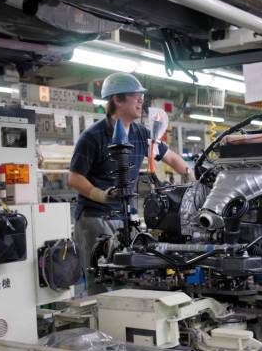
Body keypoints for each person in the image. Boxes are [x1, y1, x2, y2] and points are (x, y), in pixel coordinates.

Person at [69, 72, 190, 294]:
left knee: (129, 275)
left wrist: (194, 178)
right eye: (136, 96)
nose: (141, 101)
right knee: (101, 274)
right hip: (95, 217)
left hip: (124, 216)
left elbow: (171, 158)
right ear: (117, 99)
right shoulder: (93, 136)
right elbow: (74, 177)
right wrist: (100, 195)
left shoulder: (140, 133)